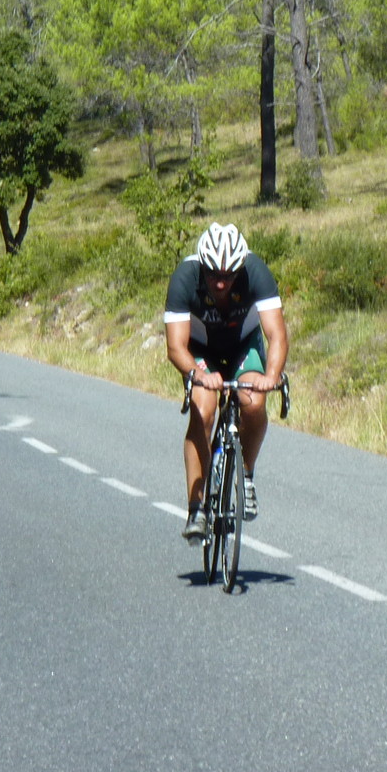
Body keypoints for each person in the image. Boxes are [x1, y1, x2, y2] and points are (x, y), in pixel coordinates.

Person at [165, 222, 289, 543]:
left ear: (240, 269)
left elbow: (276, 335)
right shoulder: (185, 277)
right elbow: (176, 346)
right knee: (203, 410)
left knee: (254, 401)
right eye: (213, 275)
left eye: (229, 276)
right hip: (201, 351)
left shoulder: (256, 273)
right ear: (202, 267)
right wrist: (198, 375)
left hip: (242, 346)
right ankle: (196, 509)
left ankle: (245, 475)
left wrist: (271, 376)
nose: (220, 283)